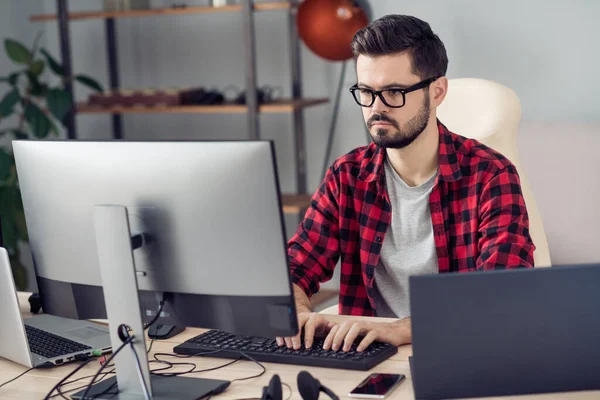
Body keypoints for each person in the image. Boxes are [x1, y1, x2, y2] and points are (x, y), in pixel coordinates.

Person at [277, 14, 535, 353]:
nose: (376, 108)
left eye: (394, 92)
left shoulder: (491, 175)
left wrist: (404, 330)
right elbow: (295, 267)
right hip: (365, 356)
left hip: (460, 350)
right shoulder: (346, 176)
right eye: (366, 92)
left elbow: (504, 293)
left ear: (437, 91)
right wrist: (296, 312)